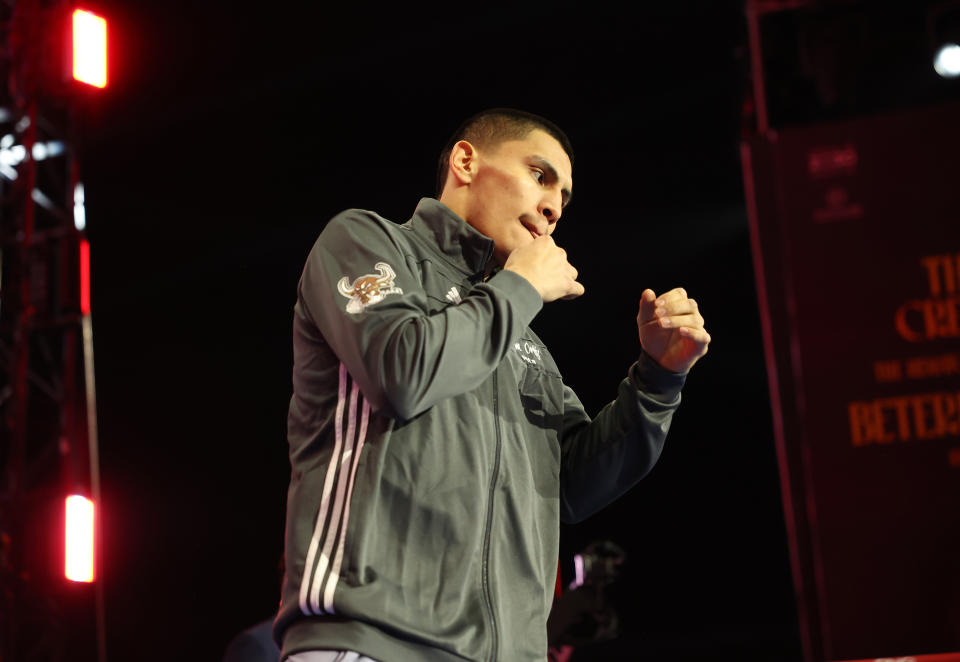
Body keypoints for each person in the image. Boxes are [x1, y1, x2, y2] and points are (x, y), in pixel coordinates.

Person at [273, 109, 710, 662]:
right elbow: (401, 374)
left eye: (564, 198)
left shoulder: (520, 340)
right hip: (373, 642)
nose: (553, 206)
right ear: (465, 162)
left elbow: (571, 486)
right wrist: (520, 286)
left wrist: (659, 378)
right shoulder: (365, 241)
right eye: (539, 175)